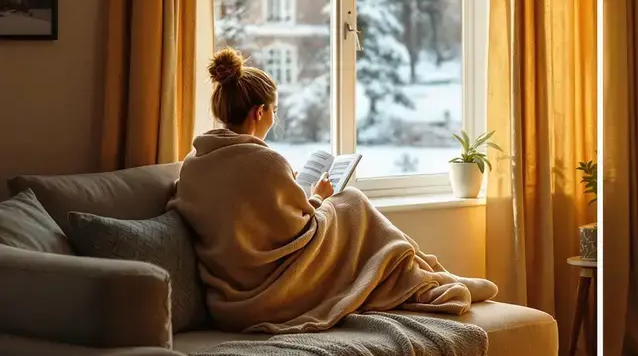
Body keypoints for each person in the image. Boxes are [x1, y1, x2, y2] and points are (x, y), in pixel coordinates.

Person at [170, 48, 497, 334]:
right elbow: (299, 228)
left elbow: (243, 219)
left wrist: (291, 190)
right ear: (259, 112)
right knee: (352, 201)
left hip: (229, 304)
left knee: (351, 212)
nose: (274, 118)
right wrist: (318, 196)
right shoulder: (265, 162)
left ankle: (432, 274)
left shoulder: (193, 164)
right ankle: (431, 279)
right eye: (274, 111)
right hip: (273, 292)